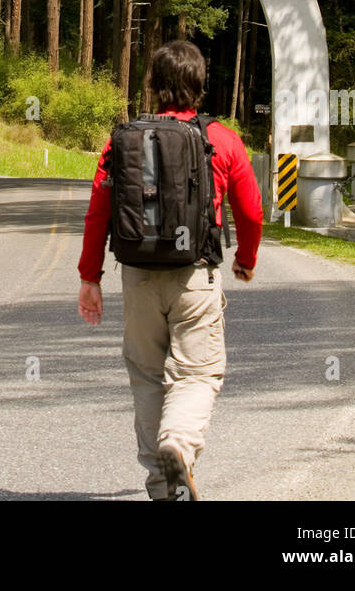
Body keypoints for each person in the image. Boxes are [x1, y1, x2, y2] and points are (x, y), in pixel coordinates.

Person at [77, 38, 263, 501]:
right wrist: (246, 260)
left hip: (138, 275)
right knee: (198, 373)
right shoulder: (221, 138)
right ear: (200, 85)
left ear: (155, 86)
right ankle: (177, 444)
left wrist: (89, 277)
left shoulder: (122, 139)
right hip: (195, 274)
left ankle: (163, 488)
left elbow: (99, 211)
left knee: (146, 373)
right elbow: (252, 211)